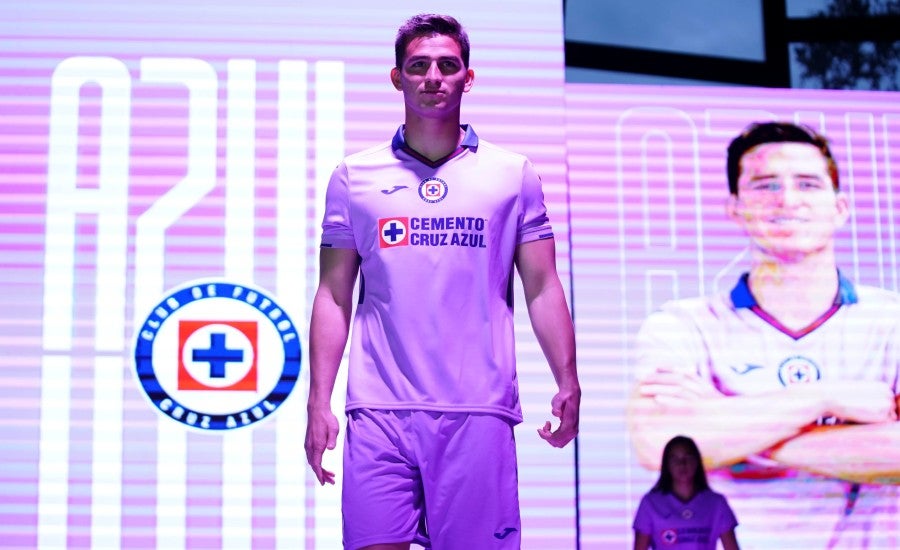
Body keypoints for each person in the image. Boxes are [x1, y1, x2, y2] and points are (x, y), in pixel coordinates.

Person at [304, 13, 580, 550]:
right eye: (419, 66)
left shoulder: (511, 174)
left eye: (447, 65)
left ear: (467, 78)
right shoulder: (354, 177)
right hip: (379, 410)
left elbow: (542, 286)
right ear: (397, 78)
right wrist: (319, 401)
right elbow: (333, 295)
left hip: (478, 410)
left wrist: (567, 380)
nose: (433, 76)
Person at [627, 121, 900, 548]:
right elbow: (657, 445)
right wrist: (822, 399)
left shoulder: (892, 322)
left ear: (840, 208)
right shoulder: (683, 325)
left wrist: (725, 421)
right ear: (734, 207)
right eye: (765, 184)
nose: (787, 200)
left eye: (808, 184)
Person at [633, 435, 739, 550]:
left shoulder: (717, 503)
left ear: (697, 461)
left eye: (688, 458)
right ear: (666, 465)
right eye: (675, 459)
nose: (682, 464)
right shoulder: (650, 503)